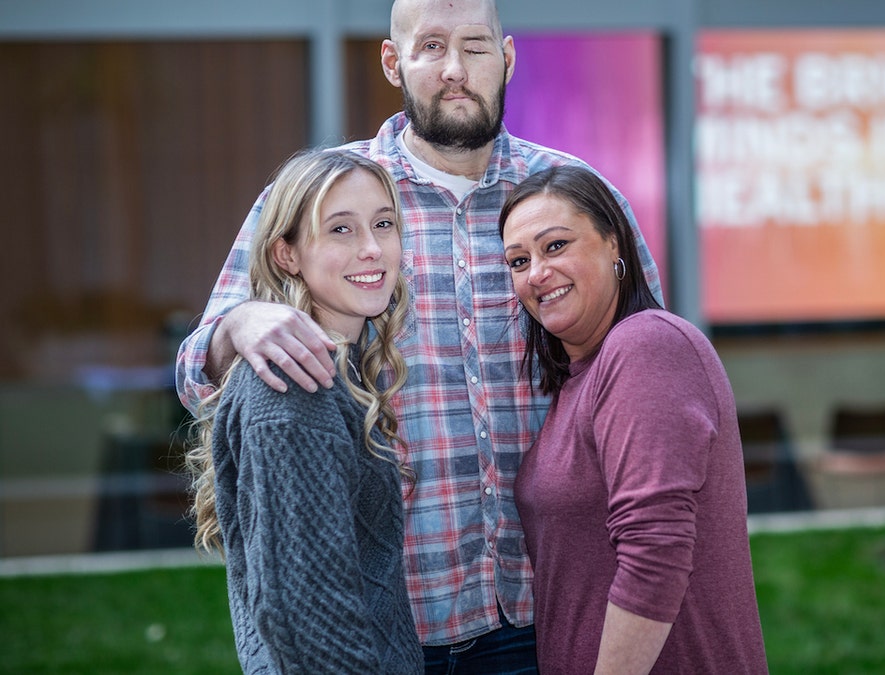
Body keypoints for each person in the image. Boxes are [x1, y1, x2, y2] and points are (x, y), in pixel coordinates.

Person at [175, 0, 662, 670]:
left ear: (509, 57)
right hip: (384, 623)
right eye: (431, 46)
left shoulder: (573, 200)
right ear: (392, 60)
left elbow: (646, 373)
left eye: (475, 46)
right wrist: (241, 321)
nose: (455, 70)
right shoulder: (334, 197)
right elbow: (196, 371)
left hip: (547, 610)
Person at [498, 165, 769, 674]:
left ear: (614, 244)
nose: (535, 273)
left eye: (555, 246)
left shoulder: (646, 345)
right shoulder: (581, 379)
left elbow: (655, 554)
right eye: (518, 260)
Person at [185, 148, 423, 673]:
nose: (372, 249)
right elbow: (310, 618)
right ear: (286, 255)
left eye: (383, 224)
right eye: (340, 230)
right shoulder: (295, 386)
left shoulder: (340, 367)